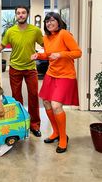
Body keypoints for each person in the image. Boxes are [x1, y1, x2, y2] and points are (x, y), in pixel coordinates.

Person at [31, 12, 82, 153]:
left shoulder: (64, 34)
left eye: (52, 20)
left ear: (58, 22)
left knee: (56, 105)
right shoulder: (46, 38)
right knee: (46, 102)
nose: (49, 23)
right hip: (51, 74)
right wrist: (38, 55)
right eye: (47, 21)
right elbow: (48, 55)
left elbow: (78, 52)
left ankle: (63, 138)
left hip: (65, 75)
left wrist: (61, 54)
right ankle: (56, 132)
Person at [0, 5, 43, 137]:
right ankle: (20, 123)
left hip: (30, 69)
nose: (21, 15)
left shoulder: (35, 31)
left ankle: (35, 125)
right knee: (17, 97)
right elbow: (1, 46)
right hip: (15, 68)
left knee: (33, 96)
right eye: (18, 13)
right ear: (15, 15)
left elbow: (45, 44)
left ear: (27, 14)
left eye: (23, 13)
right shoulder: (10, 31)